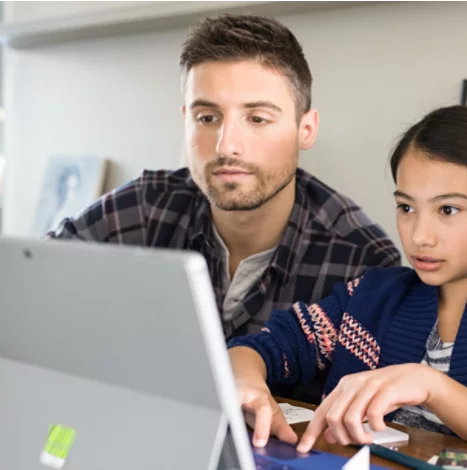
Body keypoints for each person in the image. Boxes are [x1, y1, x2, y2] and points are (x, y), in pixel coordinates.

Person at [227, 105, 467, 463]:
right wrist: (245, 382)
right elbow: (264, 346)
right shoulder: (374, 295)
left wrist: (432, 386)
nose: (420, 236)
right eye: (406, 207)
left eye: (448, 210)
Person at [47, 15, 400, 403]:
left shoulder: (362, 259)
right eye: (207, 118)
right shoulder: (147, 206)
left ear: (306, 129)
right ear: (186, 121)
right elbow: (32, 283)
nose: (226, 145)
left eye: (257, 118)